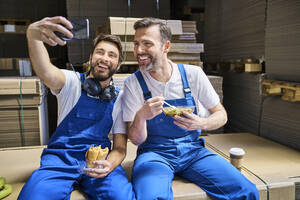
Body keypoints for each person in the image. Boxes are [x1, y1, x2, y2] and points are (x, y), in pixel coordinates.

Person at [122, 18, 259, 200]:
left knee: (246, 191)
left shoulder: (192, 75)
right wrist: (141, 116)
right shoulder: (133, 83)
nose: (139, 51)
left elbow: (221, 115)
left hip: (193, 151)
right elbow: (136, 139)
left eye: (147, 44)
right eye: (136, 44)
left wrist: (201, 123)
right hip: (154, 153)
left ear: (166, 46)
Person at [18, 16, 135, 200]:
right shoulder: (71, 82)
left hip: (99, 162)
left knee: (122, 197)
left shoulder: (119, 99)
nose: (104, 58)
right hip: (60, 161)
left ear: (118, 66)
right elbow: (46, 71)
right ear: (91, 58)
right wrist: (33, 36)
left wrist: (109, 165)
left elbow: (120, 149)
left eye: (111, 55)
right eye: (100, 52)